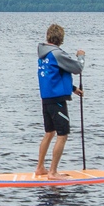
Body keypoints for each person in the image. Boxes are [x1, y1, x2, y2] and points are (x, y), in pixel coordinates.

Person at [35, 24, 85, 179]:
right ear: (60, 38)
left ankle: (40, 168)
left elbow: (53, 77)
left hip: (47, 99)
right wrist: (81, 56)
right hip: (57, 101)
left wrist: (72, 88)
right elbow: (78, 68)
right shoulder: (57, 53)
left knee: (49, 133)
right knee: (63, 134)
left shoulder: (43, 54)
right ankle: (53, 172)